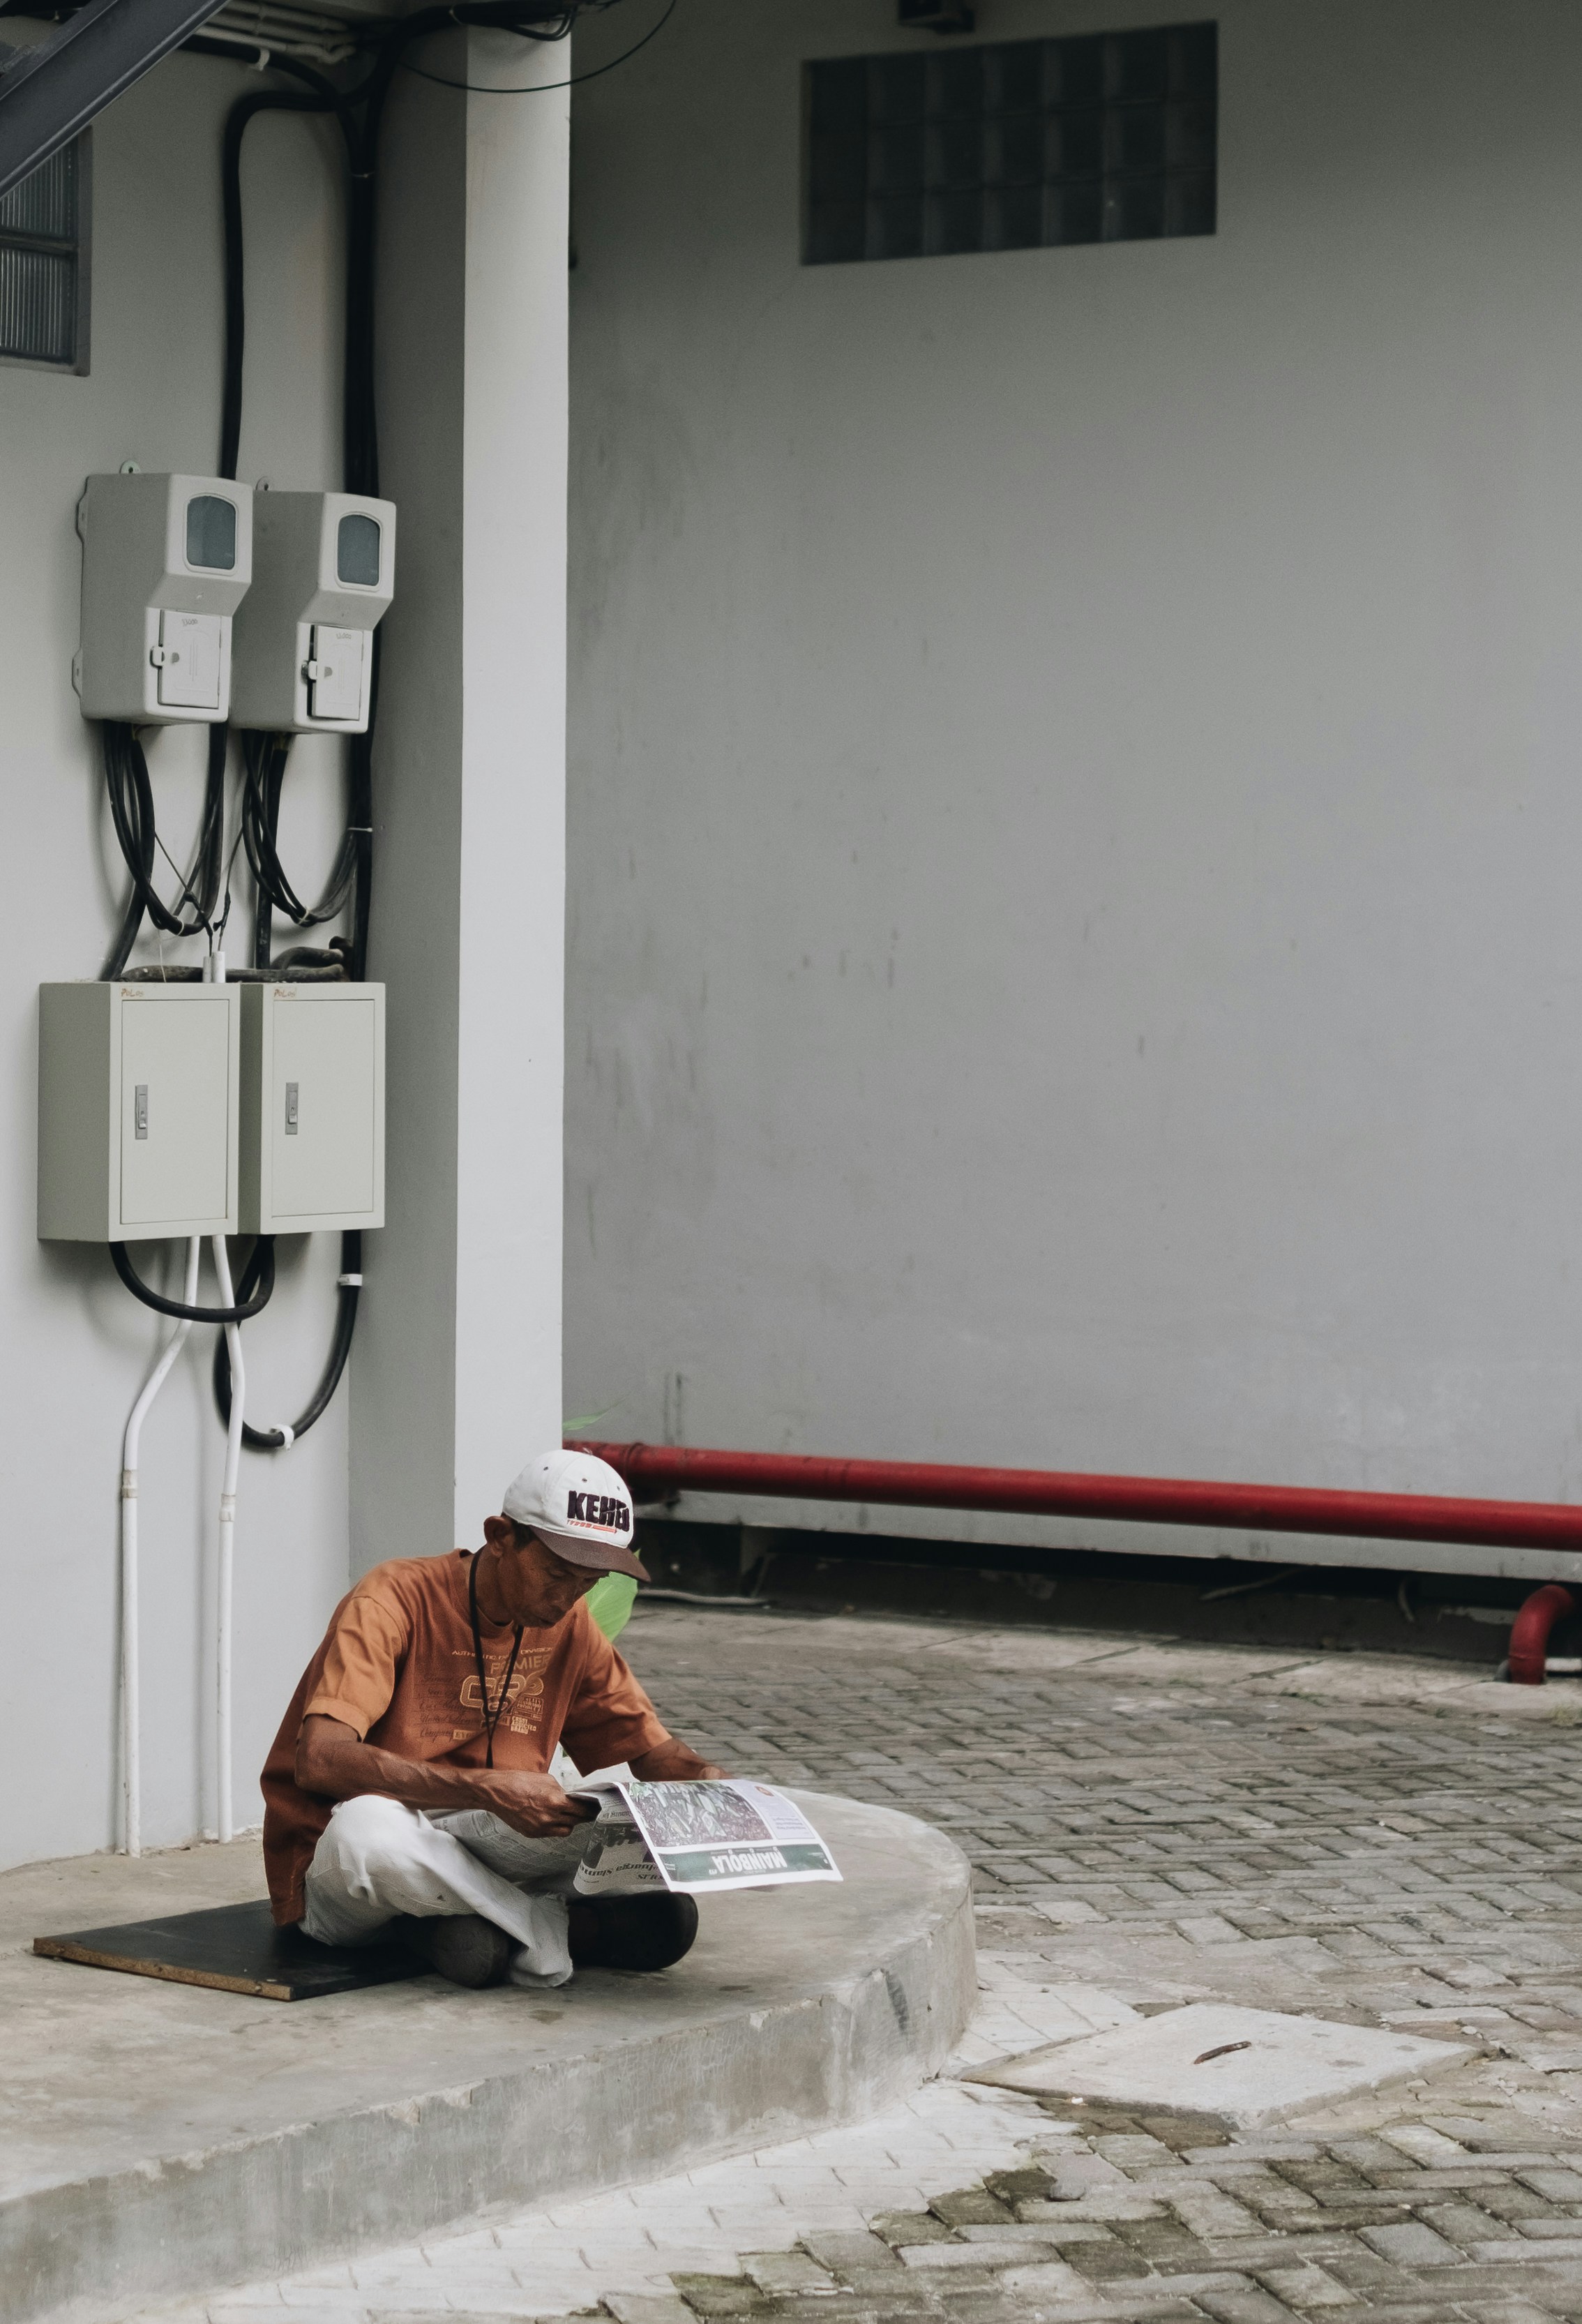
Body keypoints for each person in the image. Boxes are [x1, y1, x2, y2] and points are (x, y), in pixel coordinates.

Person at [261, 1447, 726, 1990]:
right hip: (351, 1864)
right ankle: (561, 1931)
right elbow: (319, 1759)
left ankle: (467, 1930)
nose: (566, 1598)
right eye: (556, 1573)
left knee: (621, 1810)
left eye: (587, 1583)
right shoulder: (392, 1597)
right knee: (367, 1831)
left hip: (484, 1843)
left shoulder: (570, 1624)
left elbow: (652, 1753)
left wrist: (711, 1785)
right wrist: (486, 1790)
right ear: (501, 1536)